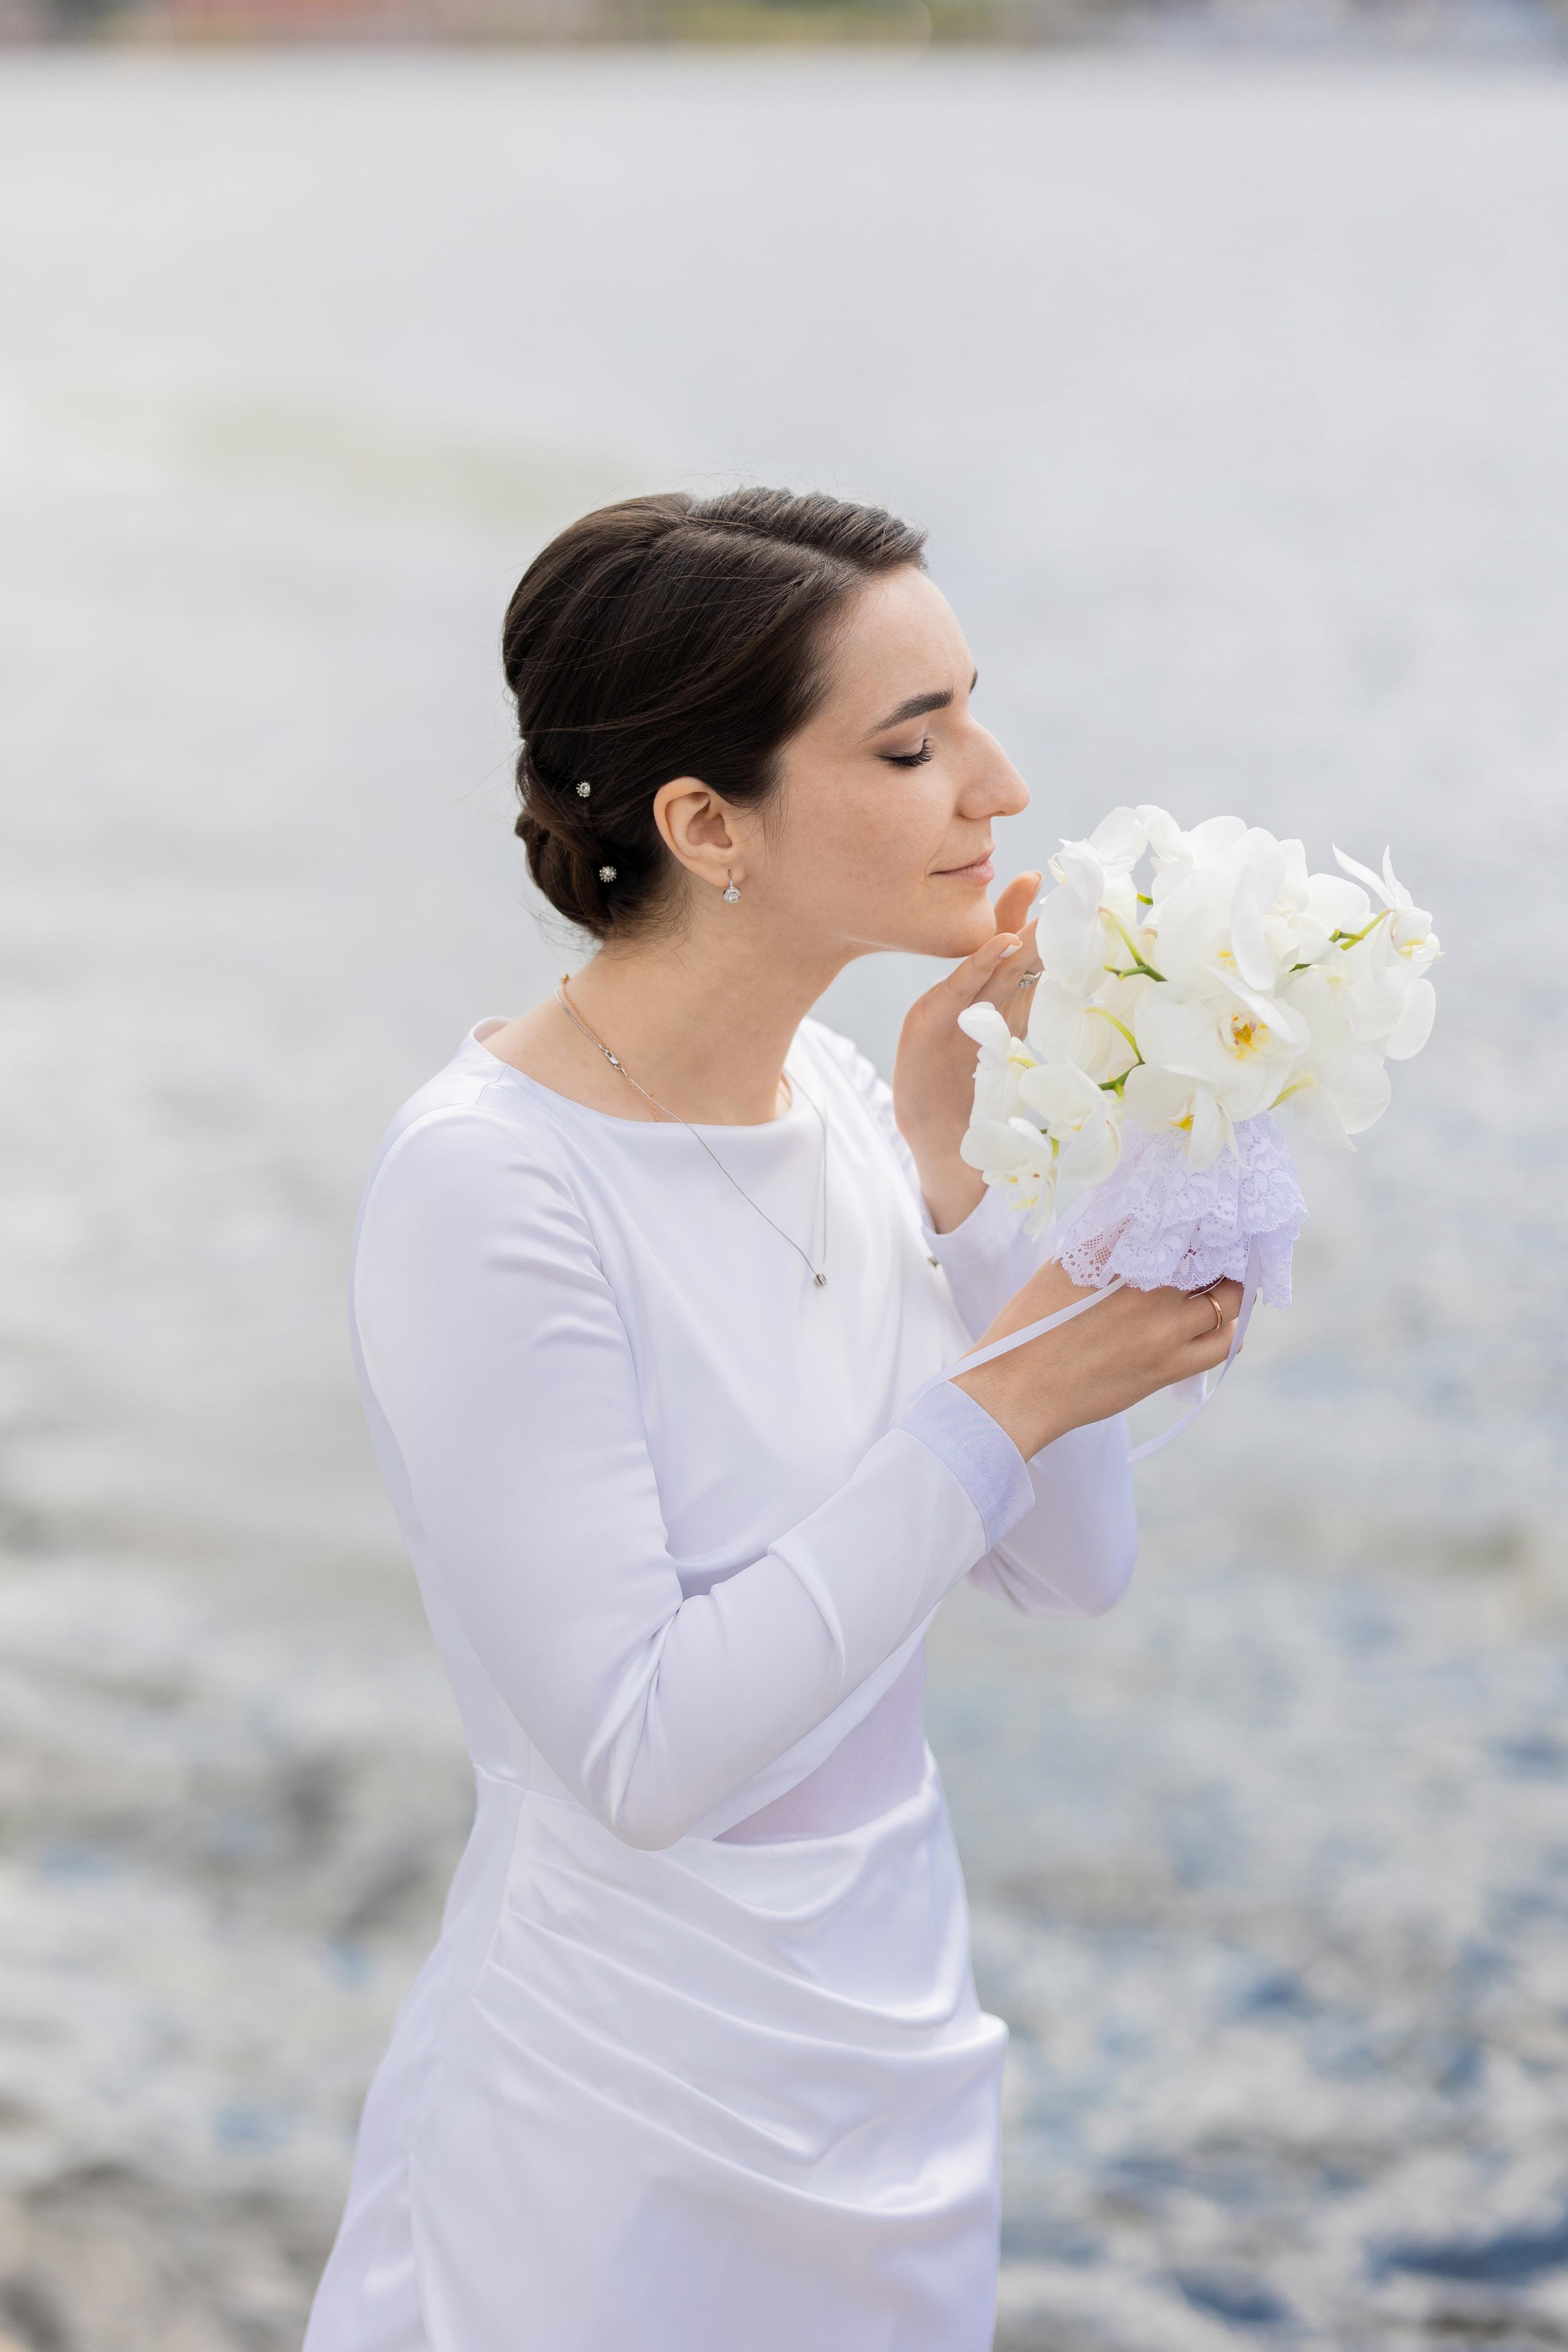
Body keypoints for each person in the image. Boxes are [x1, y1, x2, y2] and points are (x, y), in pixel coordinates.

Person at [301, 488, 1241, 2352]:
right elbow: (647, 1755)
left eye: (973, 711)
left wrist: (961, 1198)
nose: (1001, 783)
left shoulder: (839, 1100)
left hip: (889, 2048)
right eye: (914, 743)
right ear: (706, 823)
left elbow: (1075, 1573)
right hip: (619, 2102)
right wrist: (1020, 1388)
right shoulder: (494, 1187)